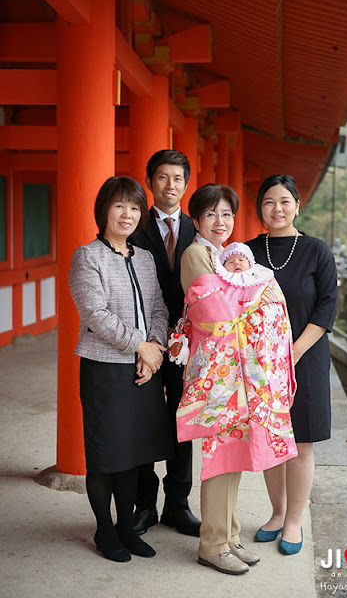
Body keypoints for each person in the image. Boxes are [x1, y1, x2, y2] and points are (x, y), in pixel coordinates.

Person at [178, 186, 297, 576]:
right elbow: (214, 313)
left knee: (234, 456)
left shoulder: (225, 257)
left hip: (236, 375)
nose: (220, 222)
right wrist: (254, 305)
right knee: (220, 456)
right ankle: (212, 543)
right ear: (196, 220)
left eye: (227, 214)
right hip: (219, 374)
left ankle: (228, 536)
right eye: (210, 215)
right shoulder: (197, 254)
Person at [69, 176, 173, 563]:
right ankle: (104, 529)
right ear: (104, 211)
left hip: (145, 368)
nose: (127, 214)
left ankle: (127, 527)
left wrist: (154, 350)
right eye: (119, 206)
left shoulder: (144, 258)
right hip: (105, 369)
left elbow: (159, 307)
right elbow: (96, 315)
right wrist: (140, 346)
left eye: (134, 207)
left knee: (133, 454)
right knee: (105, 455)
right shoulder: (87, 256)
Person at [246, 174, 337, 555]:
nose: (277, 209)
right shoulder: (247, 251)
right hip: (261, 361)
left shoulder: (317, 251)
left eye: (285, 201)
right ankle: (277, 513)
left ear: (298, 205)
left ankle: (295, 520)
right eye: (269, 202)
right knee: (270, 438)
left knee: (300, 441)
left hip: (306, 356)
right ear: (260, 209)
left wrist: (294, 351)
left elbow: (327, 304)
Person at [130, 149, 201, 538]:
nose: (170, 185)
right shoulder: (134, 228)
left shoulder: (199, 229)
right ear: (150, 182)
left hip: (188, 347)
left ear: (186, 184)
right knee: (143, 420)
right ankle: (145, 505)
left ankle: (178, 503)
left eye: (177, 178)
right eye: (162, 177)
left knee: (182, 420)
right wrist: (147, 342)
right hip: (144, 343)